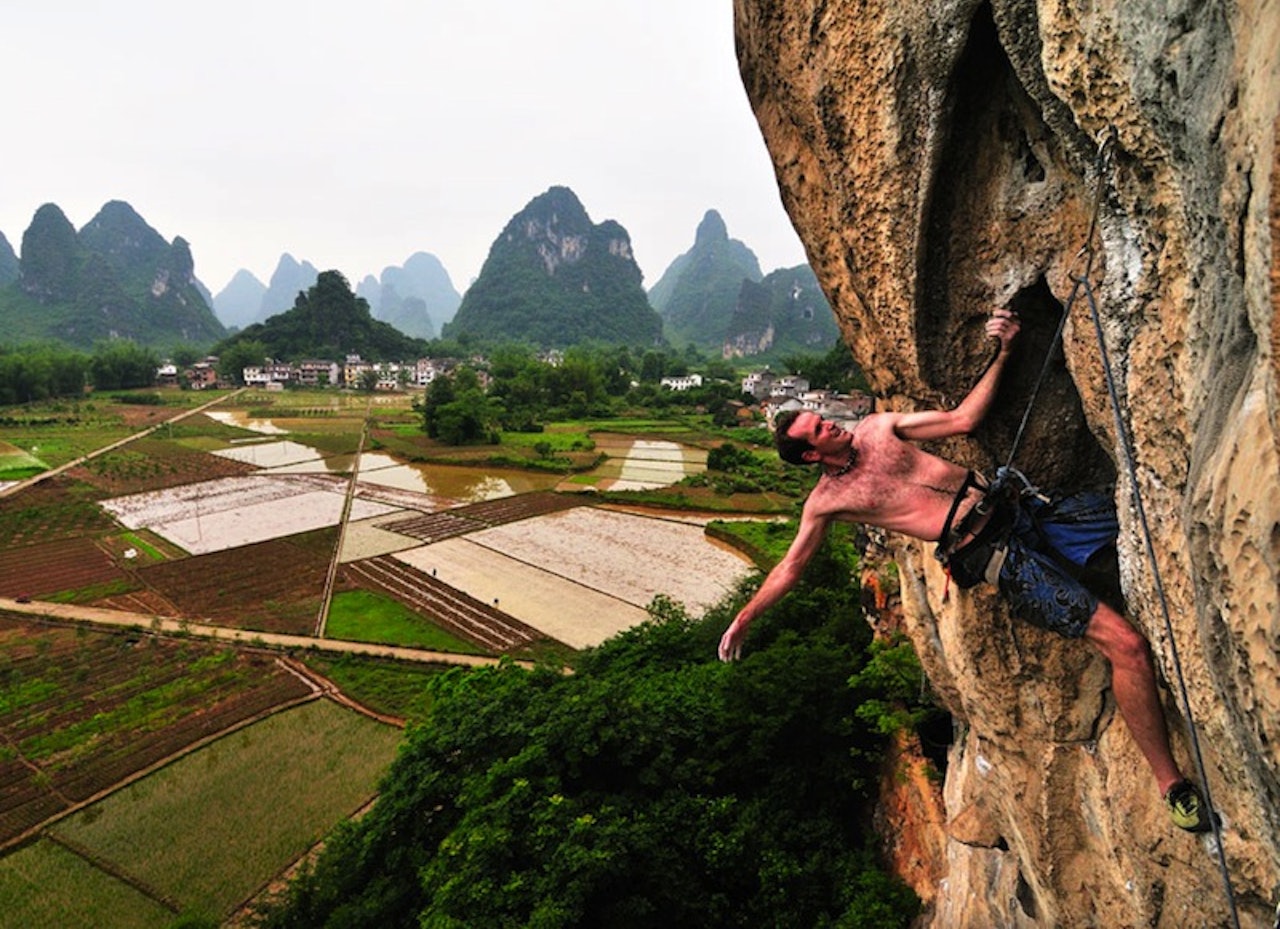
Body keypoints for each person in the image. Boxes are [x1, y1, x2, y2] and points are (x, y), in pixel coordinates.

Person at [718, 308, 1210, 833]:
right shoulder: (829, 502)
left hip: (1021, 509)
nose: (831, 422)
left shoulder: (880, 429)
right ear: (813, 455)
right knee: (1126, 644)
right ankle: (1171, 784)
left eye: (823, 417)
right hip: (996, 556)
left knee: (1148, 511)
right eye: (820, 429)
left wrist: (1005, 352)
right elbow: (791, 567)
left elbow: (962, 419)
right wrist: (746, 618)